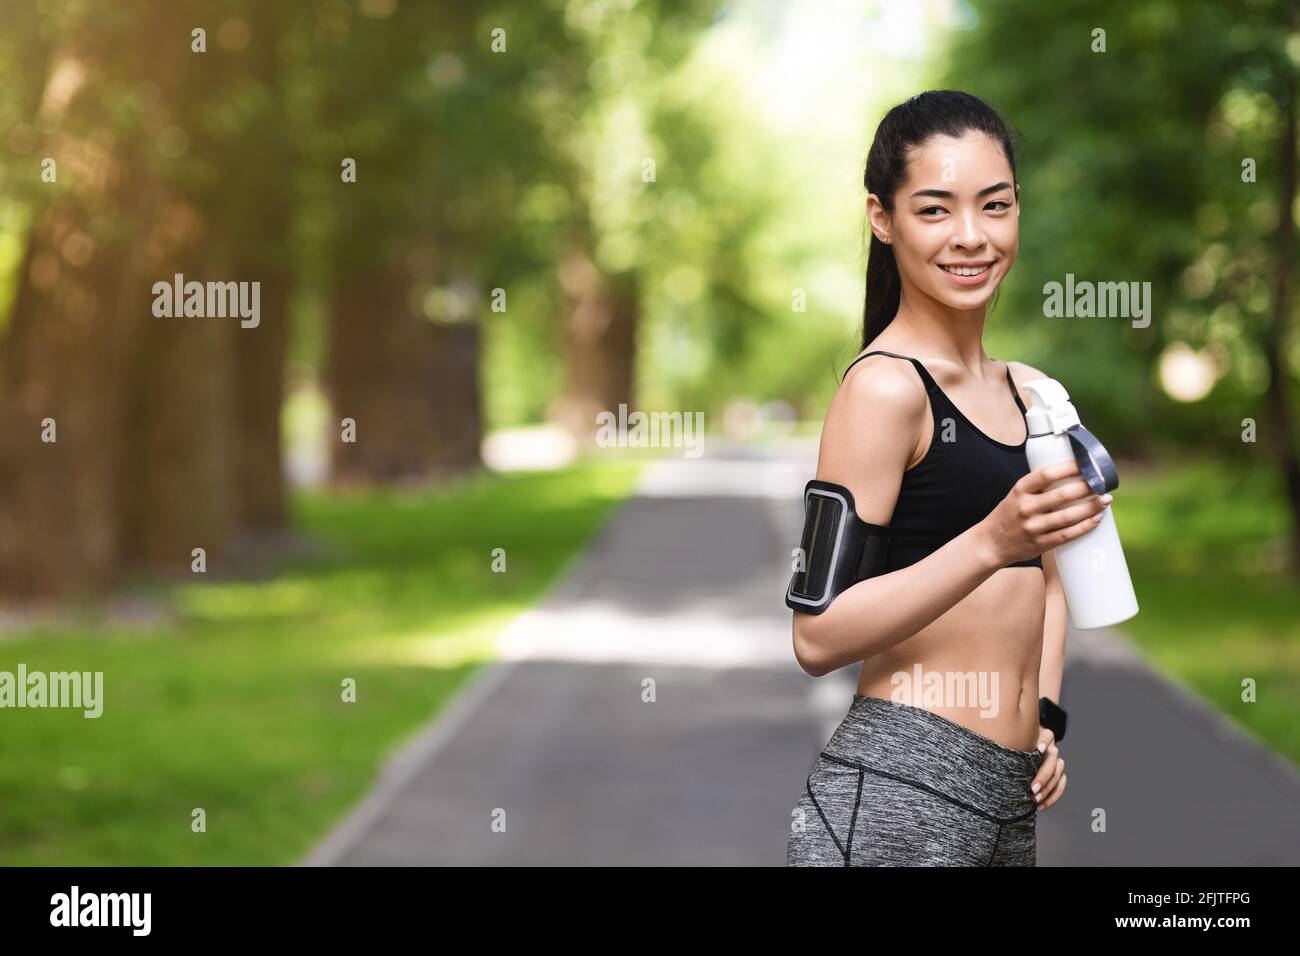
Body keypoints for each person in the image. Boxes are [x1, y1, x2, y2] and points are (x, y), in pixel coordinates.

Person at [785, 90, 1106, 866]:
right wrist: (993, 541)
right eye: (935, 210)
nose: (971, 236)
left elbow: (1054, 578)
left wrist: (1046, 720)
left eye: (993, 206)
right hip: (898, 790)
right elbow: (816, 634)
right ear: (881, 218)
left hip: (1008, 795)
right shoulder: (885, 390)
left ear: (1018, 210)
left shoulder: (1030, 392)